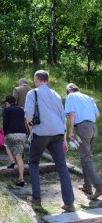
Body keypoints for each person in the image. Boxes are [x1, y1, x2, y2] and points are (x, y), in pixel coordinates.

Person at [24, 70, 75, 212]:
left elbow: (28, 116)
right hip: (58, 133)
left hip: (41, 133)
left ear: (37, 79)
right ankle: (69, 202)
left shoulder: (33, 93)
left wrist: (31, 131)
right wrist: (64, 139)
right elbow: (62, 117)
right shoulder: (56, 94)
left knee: (33, 163)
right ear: (47, 80)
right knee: (62, 166)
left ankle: (36, 199)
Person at [65, 83, 102, 200]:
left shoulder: (71, 96)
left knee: (85, 158)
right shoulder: (89, 98)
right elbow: (97, 115)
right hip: (93, 128)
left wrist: (71, 132)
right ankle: (87, 186)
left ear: (69, 91)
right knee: (86, 157)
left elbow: (72, 114)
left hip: (83, 127)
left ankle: (99, 186)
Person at [3, 95, 27, 186]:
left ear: (7, 102)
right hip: (22, 134)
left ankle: (12, 160)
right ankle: (21, 179)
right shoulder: (21, 109)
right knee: (19, 157)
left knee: (6, 144)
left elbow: (5, 123)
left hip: (11, 134)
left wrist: (5, 133)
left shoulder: (7, 109)